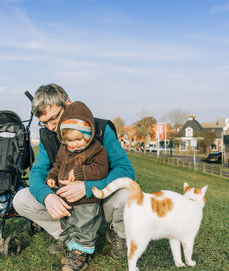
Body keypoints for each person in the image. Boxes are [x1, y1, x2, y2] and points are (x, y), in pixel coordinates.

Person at [13, 83, 135, 270]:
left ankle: (118, 232)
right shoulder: (47, 136)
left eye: (54, 118)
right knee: (21, 199)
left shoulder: (101, 128)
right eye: (44, 122)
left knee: (126, 193)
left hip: (101, 198)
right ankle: (68, 237)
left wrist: (87, 187)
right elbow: (37, 173)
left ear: (68, 105)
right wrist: (48, 196)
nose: (51, 127)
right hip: (71, 202)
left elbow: (125, 170)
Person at [46, 101, 108, 270]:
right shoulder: (65, 149)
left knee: (85, 226)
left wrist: (81, 173)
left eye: (77, 140)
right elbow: (58, 164)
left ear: (88, 135)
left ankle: (82, 253)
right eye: (68, 141)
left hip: (87, 200)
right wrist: (52, 175)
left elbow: (101, 169)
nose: (73, 145)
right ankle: (74, 247)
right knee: (69, 223)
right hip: (66, 196)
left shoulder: (96, 149)